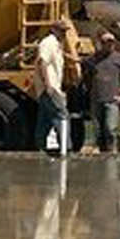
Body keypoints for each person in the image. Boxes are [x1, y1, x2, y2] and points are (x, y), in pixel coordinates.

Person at [86, 30, 120, 154]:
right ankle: (103, 154)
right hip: (96, 99)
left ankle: (112, 152)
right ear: (101, 43)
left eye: (111, 42)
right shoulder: (94, 59)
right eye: (106, 42)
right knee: (98, 130)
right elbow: (85, 75)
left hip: (112, 100)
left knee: (110, 128)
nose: (109, 45)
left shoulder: (119, 59)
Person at [32, 22, 72, 154]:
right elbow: (42, 62)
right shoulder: (48, 42)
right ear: (53, 30)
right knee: (62, 115)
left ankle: (39, 148)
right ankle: (66, 149)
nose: (64, 33)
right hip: (50, 88)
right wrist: (48, 85)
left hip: (50, 88)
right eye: (61, 30)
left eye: (65, 31)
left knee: (44, 119)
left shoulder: (56, 44)